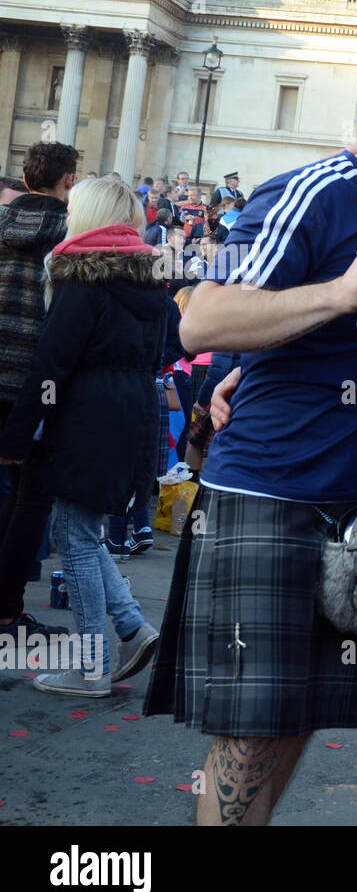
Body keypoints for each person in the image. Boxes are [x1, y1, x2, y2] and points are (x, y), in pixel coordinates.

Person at [141, 29, 357, 826]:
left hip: (354, 507)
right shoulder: (315, 191)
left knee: (291, 728)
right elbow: (200, 318)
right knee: (250, 741)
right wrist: (343, 289)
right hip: (267, 495)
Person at [0, 177, 164, 695]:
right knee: (85, 531)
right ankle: (132, 628)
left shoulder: (81, 278)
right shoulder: (151, 282)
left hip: (83, 418)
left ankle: (91, 663)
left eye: (73, 210)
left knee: (73, 534)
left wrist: (15, 437)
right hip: (129, 414)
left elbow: (51, 366)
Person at [0, 141, 78, 641]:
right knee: (30, 501)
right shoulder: (68, 239)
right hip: (35, 386)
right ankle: (7, 614)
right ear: (67, 181)